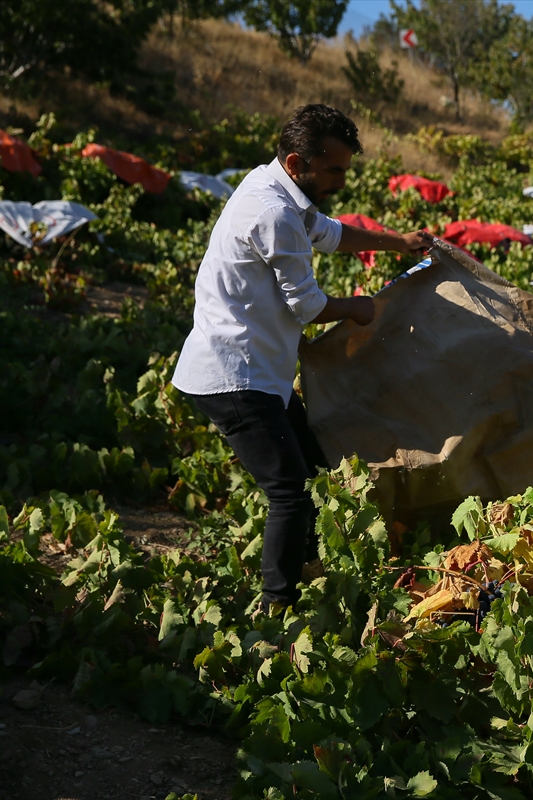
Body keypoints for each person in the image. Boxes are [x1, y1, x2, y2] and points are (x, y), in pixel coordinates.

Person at [172, 104, 432, 614]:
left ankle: (306, 569)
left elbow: (331, 233)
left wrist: (397, 243)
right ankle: (277, 608)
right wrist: (359, 309)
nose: (340, 180)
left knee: (311, 470)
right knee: (289, 491)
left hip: (259, 372)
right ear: (297, 162)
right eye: (333, 169)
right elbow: (308, 306)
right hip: (234, 376)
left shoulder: (275, 189)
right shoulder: (273, 214)